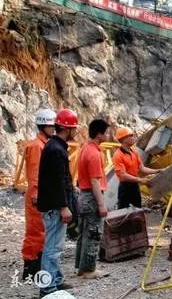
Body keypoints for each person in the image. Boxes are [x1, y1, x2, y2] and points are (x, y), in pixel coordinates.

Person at [37, 108, 79, 297]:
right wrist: (64, 207)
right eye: (74, 128)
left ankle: (56, 280)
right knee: (52, 248)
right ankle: (47, 287)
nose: (76, 131)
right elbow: (57, 182)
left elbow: (60, 179)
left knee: (55, 246)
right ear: (67, 128)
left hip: (53, 205)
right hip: (55, 207)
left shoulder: (54, 146)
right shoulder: (56, 149)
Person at [22, 108, 56, 280]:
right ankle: (31, 266)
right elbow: (35, 173)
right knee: (35, 231)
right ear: (43, 126)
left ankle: (36, 264)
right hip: (36, 195)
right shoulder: (37, 147)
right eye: (51, 126)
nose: (54, 129)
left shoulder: (43, 145)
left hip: (41, 194)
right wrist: (36, 194)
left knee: (41, 230)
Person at [75, 119, 110, 279]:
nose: (109, 135)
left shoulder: (84, 149)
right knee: (94, 233)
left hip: (83, 196)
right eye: (107, 132)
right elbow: (95, 181)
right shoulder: (94, 154)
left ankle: (80, 267)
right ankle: (89, 269)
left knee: (83, 233)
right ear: (99, 134)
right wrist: (101, 204)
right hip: (91, 197)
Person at [112, 127, 159, 209]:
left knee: (138, 210)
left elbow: (142, 169)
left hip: (134, 186)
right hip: (125, 188)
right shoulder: (118, 155)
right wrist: (140, 180)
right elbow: (123, 175)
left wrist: (157, 171)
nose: (133, 138)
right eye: (130, 136)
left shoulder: (134, 152)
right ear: (123, 139)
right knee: (122, 213)